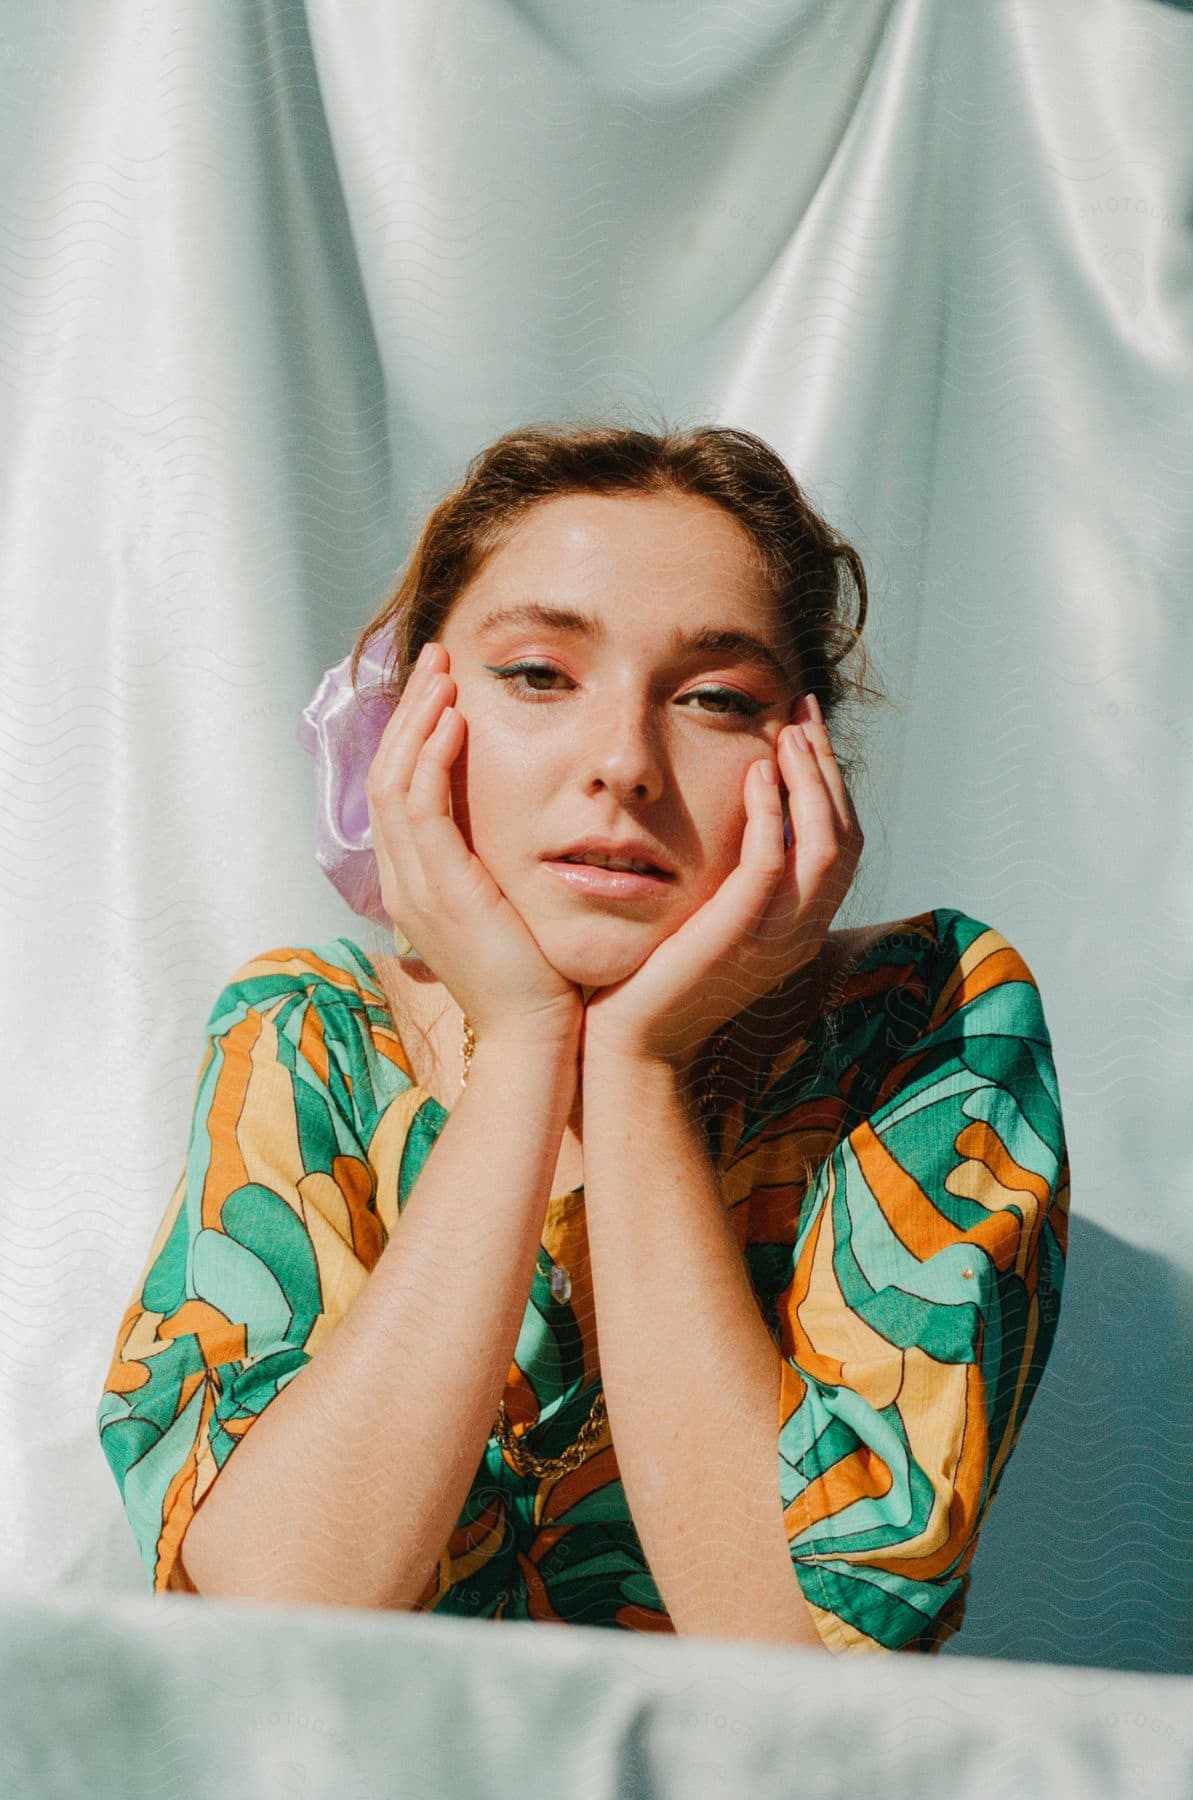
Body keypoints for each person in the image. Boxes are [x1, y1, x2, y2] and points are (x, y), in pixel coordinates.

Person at [96, 421, 1070, 1652]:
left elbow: (803, 1661)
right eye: (537, 677)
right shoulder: (311, 1037)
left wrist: (638, 1065)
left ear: (805, 752)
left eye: (716, 699)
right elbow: (271, 1619)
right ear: (411, 723)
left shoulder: (921, 1029)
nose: (622, 763)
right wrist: (520, 1050)